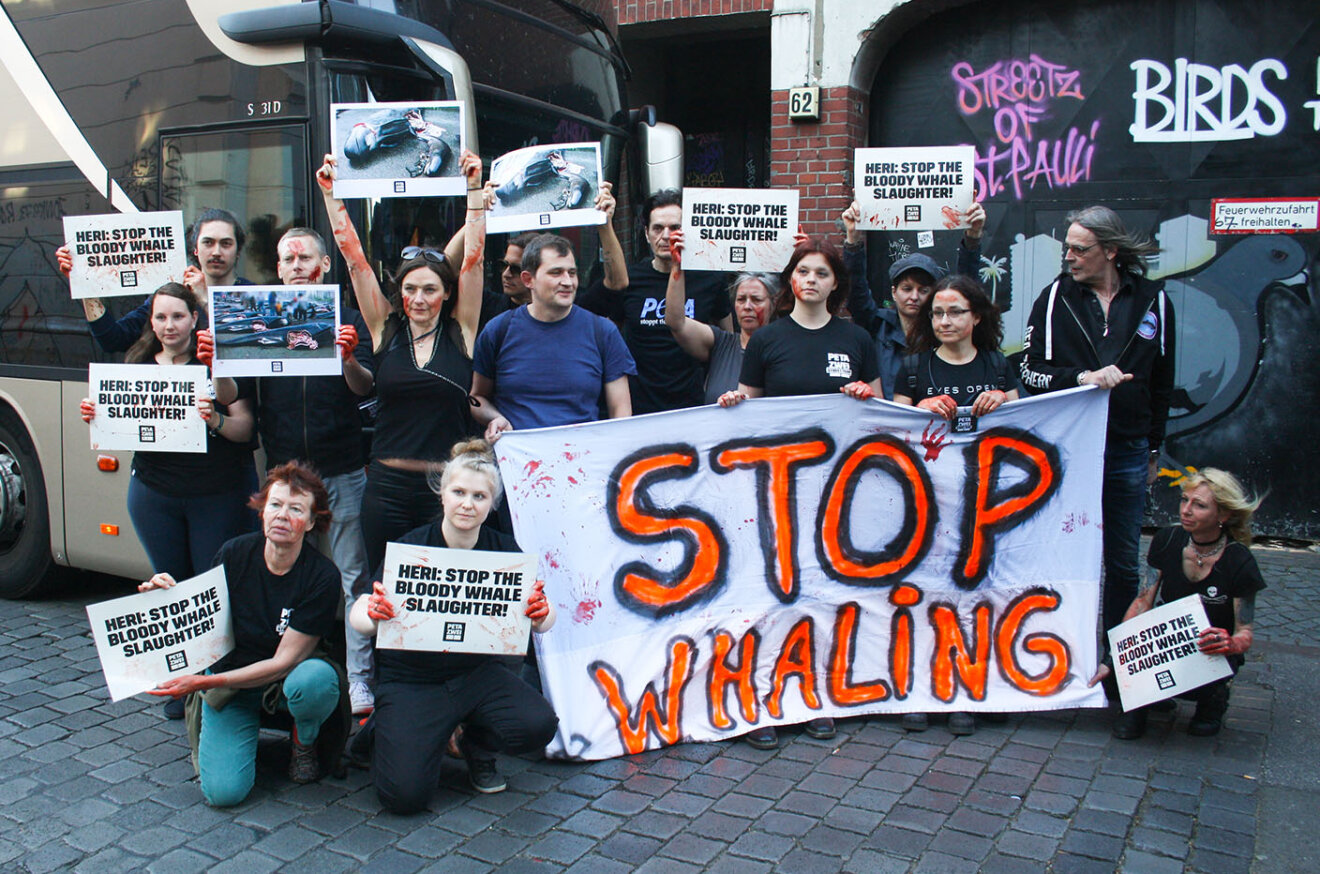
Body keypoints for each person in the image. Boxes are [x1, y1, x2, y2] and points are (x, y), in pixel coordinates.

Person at [717, 235, 882, 749]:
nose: (811, 280)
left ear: (836, 284)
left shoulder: (857, 340)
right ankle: (762, 695)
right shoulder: (768, 340)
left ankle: (813, 693)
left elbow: (881, 411)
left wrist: (864, 395)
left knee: (822, 593)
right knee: (768, 591)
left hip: (836, 492)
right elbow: (750, 407)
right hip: (775, 490)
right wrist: (734, 403)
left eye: (822, 273)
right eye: (803, 271)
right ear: (791, 280)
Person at [349, 439, 558, 811]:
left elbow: (543, 618)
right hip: (412, 678)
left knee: (537, 724)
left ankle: (477, 746)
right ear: (441, 494)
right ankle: (385, 728)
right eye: (459, 492)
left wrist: (542, 613)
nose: (467, 504)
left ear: (492, 504)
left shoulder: (505, 552)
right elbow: (361, 613)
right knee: (404, 797)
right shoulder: (412, 549)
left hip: (476, 675)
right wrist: (373, 613)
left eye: (479, 496)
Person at [317, 150, 485, 574]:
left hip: (443, 491)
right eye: (410, 289)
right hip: (386, 489)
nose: (419, 299)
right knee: (385, 588)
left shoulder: (461, 331)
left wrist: (473, 191)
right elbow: (355, 260)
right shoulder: (385, 328)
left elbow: (474, 260)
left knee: (442, 588)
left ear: (446, 293)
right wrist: (331, 195)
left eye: (430, 290)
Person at [1019, 206, 1176, 647]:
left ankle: (1117, 658)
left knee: (1123, 562)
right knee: (1061, 553)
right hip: (1068, 451)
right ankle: (1056, 651)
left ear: (1110, 251)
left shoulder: (1153, 300)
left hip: (1127, 450)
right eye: (1066, 248)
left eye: (1079, 249)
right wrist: (1082, 378)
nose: (1068, 257)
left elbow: (1162, 382)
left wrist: (1153, 448)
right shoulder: (1055, 298)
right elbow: (1029, 372)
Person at [144, 462, 344, 806]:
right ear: (262, 512)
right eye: (275, 505)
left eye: (296, 509)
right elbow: (199, 620)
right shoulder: (234, 554)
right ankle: (237, 729)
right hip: (232, 684)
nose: (282, 515)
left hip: (285, 681)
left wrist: (204, 682)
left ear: (312, 522)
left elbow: (283, 663)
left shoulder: (322, 576)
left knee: (315, 681)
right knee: (223, 793)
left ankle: (304, 741)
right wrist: (163, 598)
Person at [257, 226, 378, 715]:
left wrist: (347, 358)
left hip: (342, 467)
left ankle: (360, 680)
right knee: (284, 573)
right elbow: (238, 389)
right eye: (288, 260)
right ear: (278, 269)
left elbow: (365, 386)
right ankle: (281, 672)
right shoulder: (263, 317)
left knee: (353, 578)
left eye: (305, 257)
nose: (297, 266)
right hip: (285, 474)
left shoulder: (350, 317)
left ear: (325, 265)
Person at [892, 274, 1020, 736]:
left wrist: (1003, 400)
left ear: (977, 317)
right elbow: (891, 428)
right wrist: (918, 409)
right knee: (924, 596)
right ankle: (922, 689)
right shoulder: (913, 368)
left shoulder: (999, 366)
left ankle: (967, 687)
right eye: (937, 314)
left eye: (954, 312)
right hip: (927, 504)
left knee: (977, 595)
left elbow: (1028, 425)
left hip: (986, 505)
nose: (944, 321)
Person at [79, 283, 256, 588]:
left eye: (178, 316)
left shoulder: (216, 361)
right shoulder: (137, 364)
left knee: (211, 585)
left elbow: (245, 429)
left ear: (195, 318)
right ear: (151, 321)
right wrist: (99, 414)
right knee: (169, 584)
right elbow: (127, 429)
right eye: (160, 317)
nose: (169, 325)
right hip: (153, 494)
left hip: (215, 494)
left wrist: (215, 420)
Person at [1106, 469, 1264, 739]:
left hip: (1208, 647)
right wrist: (1117, 653)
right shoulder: (1167, 539)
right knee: (1120, 704)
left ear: (1223, 515)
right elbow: (1143, 601)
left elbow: (1245, 632)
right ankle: (1141, 702)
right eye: (1184, 500)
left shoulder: (1239, 561)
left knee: (1202, 726)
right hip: (1168, 641)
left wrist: (1230, 643)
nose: (1186, 510)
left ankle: (1212, 702)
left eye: (1199, 505)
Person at [579, 188, 732, 414]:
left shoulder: (710, 278)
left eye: (675, 227)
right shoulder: (630, 279)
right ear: (646, 233)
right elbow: (610, 337)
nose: (666, 236)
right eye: (658, 228)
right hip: (640, 407)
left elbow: (728, 343)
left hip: (693, 406)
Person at [471, 233, 635, 441]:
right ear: (528, 279)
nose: (567, 282)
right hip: (517, 457)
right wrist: (495, 418)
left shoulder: (603, 332)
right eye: (556, 273)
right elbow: (477, 398)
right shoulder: (498, 330)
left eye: (572, 273)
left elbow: (621, 413)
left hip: (583, 455)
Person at [843, 201, 985, 398]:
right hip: (888, 415)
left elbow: (966, 291)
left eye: (923, 290)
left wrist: (973, 237)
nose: (914, 297)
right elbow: (856, 291)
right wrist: (853, 240)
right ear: (894, 292)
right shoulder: (877, 325)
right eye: (907, 289)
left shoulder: (945, 329)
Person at [59, 208, 252, 353]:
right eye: (208, 242)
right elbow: (113, 339)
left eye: (226, 244)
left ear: (237, 251)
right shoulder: (173, 295)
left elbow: (249, 347)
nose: (216, 252)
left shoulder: (254, 294)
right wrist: (84, 281)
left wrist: (204, 299)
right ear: (195, 248)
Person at [662, 227, 778, 403]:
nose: (747, 306)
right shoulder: (721, 344)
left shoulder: (785, 348)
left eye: (756, 300)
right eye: (741, 299)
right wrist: (677, 267)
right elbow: (676, 322)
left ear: (773, 303)